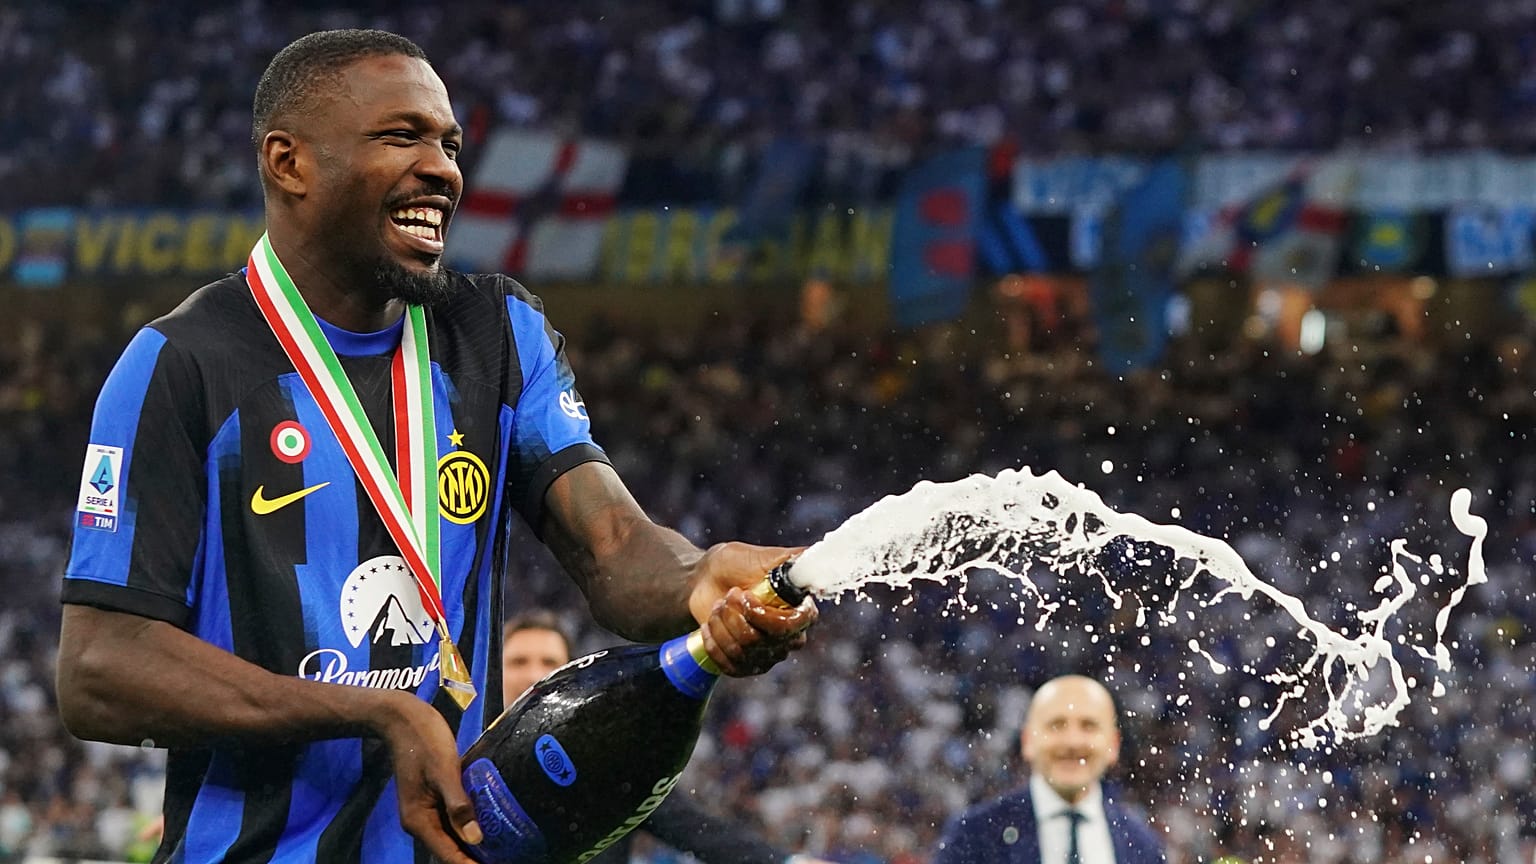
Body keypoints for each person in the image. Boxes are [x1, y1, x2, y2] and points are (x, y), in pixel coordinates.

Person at [54, 29, 815, 864]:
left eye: (449, 145)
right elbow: (99, 670)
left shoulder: (496, 335)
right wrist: (375, 713)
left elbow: (613, 546)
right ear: (289, 163)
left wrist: (698, 575)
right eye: (401, 137)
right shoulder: (182, 364)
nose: (442, 170)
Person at [500, 612, 835, 864]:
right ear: (494, 668)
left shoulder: (610, 759)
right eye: (518, 662)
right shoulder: (471, 746)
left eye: (549, 661)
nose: (534, 673)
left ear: (570, 672)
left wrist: (786, 861)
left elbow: (693, 828)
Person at [932, 676, 1165, 864]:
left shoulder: (1142, 845)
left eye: (1089, 726)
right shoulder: (975, 835)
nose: (1072, 742)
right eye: (1056, 725)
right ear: (1027, 741)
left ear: (1113, 745)